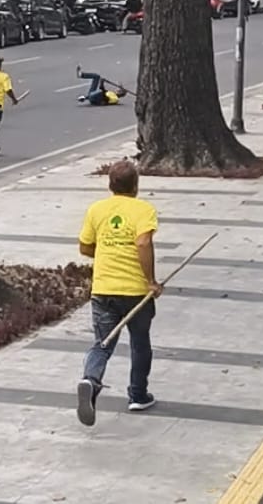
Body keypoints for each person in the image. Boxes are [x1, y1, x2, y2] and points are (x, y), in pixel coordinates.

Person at [76, 159, 162, 427]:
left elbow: (85, 247)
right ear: (135, 185)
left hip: (103, 290)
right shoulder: (143, 210)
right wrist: (151, 281)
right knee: (140, 343)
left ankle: (90, 380)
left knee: (102, 343)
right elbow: (143, 242)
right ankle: (138, 395)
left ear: (110, 184)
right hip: (135, 291)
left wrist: (107, 250)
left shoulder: (96, 210)